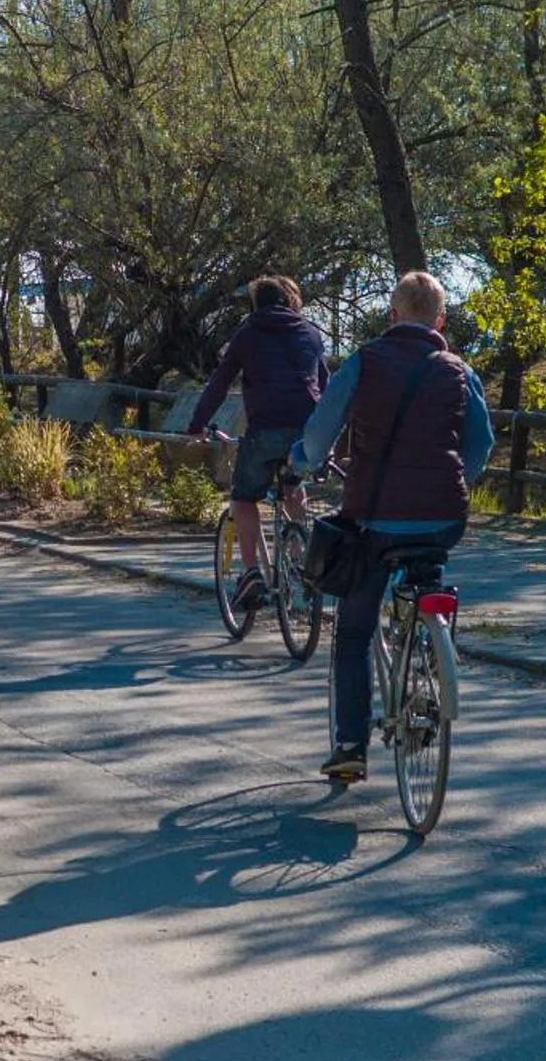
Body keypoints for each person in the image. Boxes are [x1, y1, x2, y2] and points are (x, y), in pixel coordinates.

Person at [289, 270, 494, 785]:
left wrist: (303, 460)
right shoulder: (459, 372)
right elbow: (480, 446)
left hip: (374, 517)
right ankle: (423, 641)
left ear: (392, 314)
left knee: (354, 630)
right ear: (441, 320)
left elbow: (319, 436)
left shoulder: (365, 362)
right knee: (424, 572)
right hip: (444, 519)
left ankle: (351, 745)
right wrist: (454, 483)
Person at [185, 276, 329, 613]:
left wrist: (197, 425)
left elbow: (220, 382)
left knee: (243, 497)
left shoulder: (248, 333)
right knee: (293, 484)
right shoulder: (310, 332)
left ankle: (251, 574)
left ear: (256, 303)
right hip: (307, 431)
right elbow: (325, 384)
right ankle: (298, 557)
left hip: (266, 428)